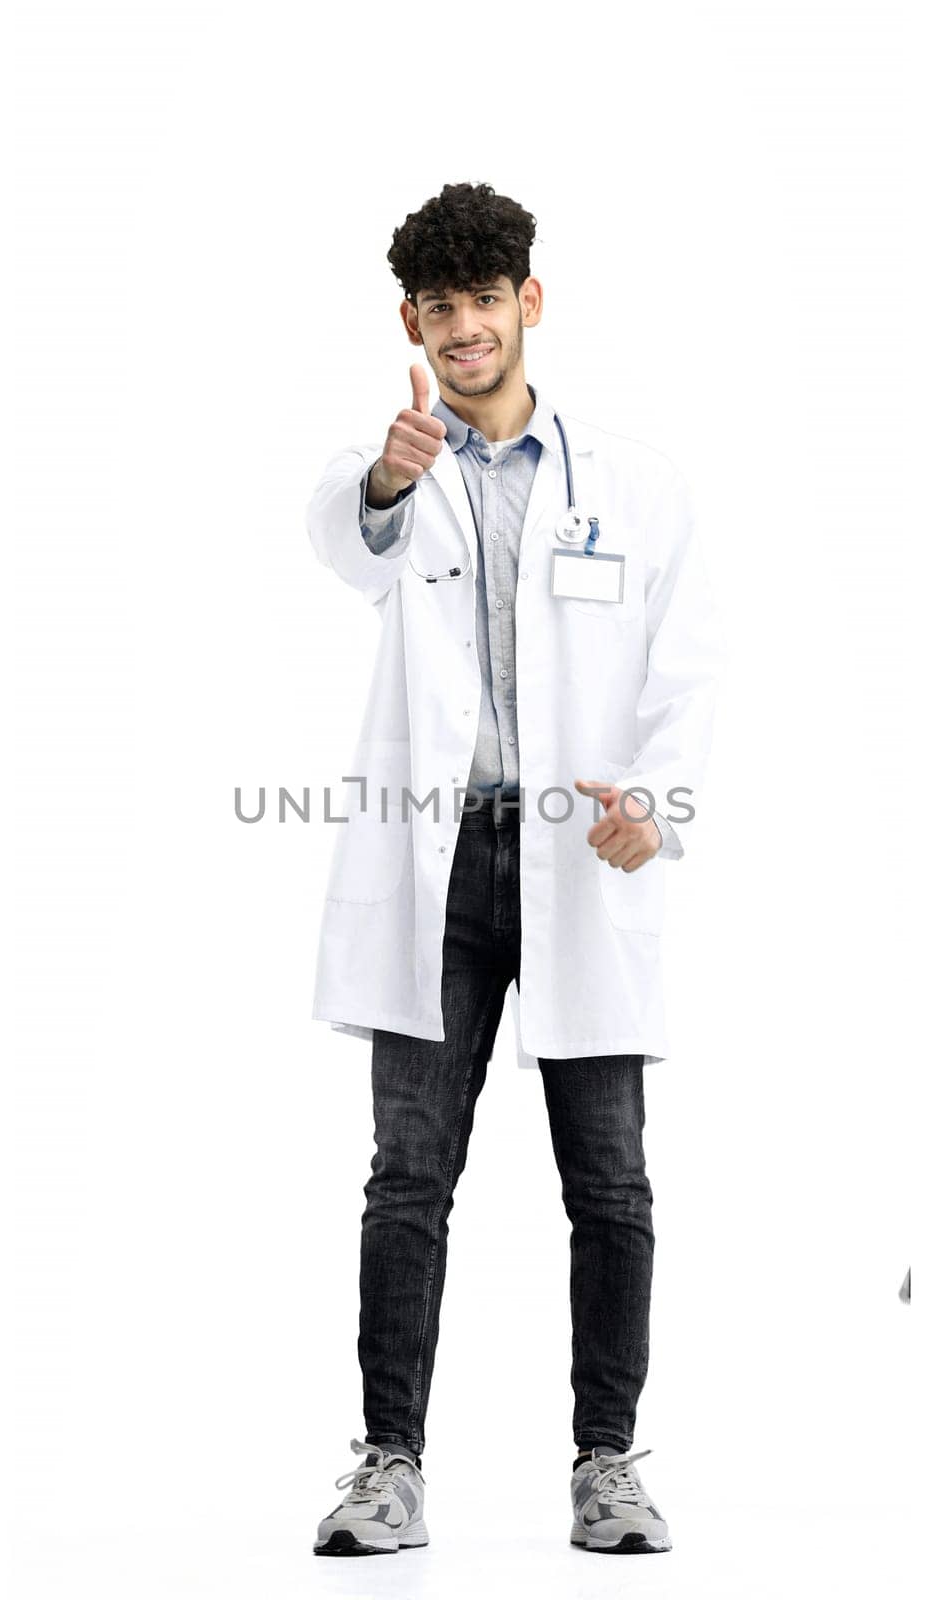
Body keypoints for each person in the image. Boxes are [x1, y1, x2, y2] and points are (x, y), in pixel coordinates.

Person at [305, 181, 722, 1556]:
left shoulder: (634, 485)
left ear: (528, 305)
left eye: (489, 302)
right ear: (412, 324)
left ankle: (608, 1464)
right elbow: (342, 539)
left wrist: (656, 807)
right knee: (407, 1175)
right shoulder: (399, 475)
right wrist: (383, 479)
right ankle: (388, 1466)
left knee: (609, 1182)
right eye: (443, 310)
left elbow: (687, 667)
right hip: (438, 880)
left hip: (579, 857)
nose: (468, 328)